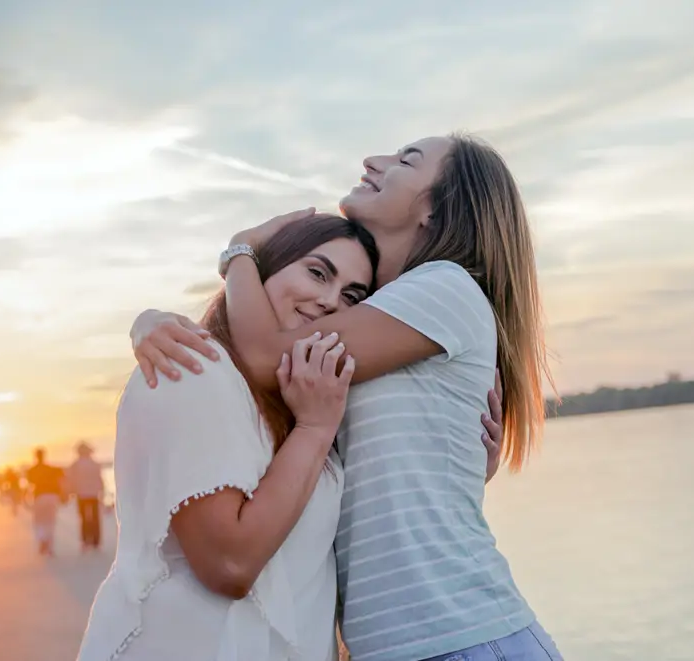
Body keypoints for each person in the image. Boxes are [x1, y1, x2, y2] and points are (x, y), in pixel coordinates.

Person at [131, 134, 563, 661]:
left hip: (464, 635)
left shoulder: (443, 287)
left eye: (406, 159)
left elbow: (267, 355)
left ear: (435, 208)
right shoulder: (380, 318)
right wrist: (152, 323)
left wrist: (241, 250)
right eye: (319, 275)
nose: (372, 161)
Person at [78, 215, 503, 661]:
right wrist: (314, 429)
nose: (328, 301)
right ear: (265, 271)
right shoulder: (192, 370)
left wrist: (460, 470)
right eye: (318, 273)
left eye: (351, 298)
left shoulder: (302, 409)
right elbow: (229, 565)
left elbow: (349, 535)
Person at [26, 448, 65, 556]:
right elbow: (61, 478)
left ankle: (42, 540)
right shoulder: (52, 469)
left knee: (39, 521)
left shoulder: (32, 470)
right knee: (50, 521)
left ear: (36, 456)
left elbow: (29, 484)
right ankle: (49, 546)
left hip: (39, 497)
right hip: (52, 496)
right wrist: (62, 495)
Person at [67, 441, 105, 551]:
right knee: (95, 518)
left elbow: (71, 480)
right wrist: (102, 492)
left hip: (81, 494)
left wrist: (70, 493)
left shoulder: (76, 464)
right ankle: (96, 541)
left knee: (83, 518)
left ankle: (85, 540)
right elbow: (100, 479)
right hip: (94, 494)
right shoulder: (95, 464)